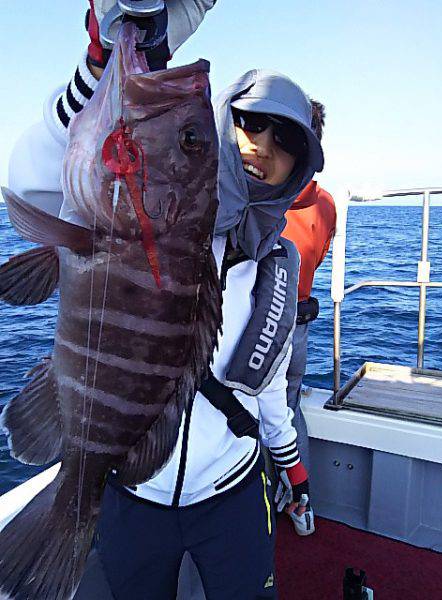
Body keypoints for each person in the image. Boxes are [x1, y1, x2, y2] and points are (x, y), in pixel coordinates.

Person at [7, 4, 324, 598]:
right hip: (134, 496)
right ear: (224, 124)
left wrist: (293, 467)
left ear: (301, 165)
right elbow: (28, 183)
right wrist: (98, 66)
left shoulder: (276, 263)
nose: (263, 144)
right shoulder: (156, 213)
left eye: (286, 139)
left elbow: (272, 387)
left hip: (231, 491)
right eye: (251, 123)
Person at [280, 100, 336, 536]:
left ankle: (264, 498)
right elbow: (321, 252)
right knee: (290, 406)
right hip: (300, 325)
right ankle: (301, 500)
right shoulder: (327, 205)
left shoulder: (263, 200)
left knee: (254, 408)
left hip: (266, 325)